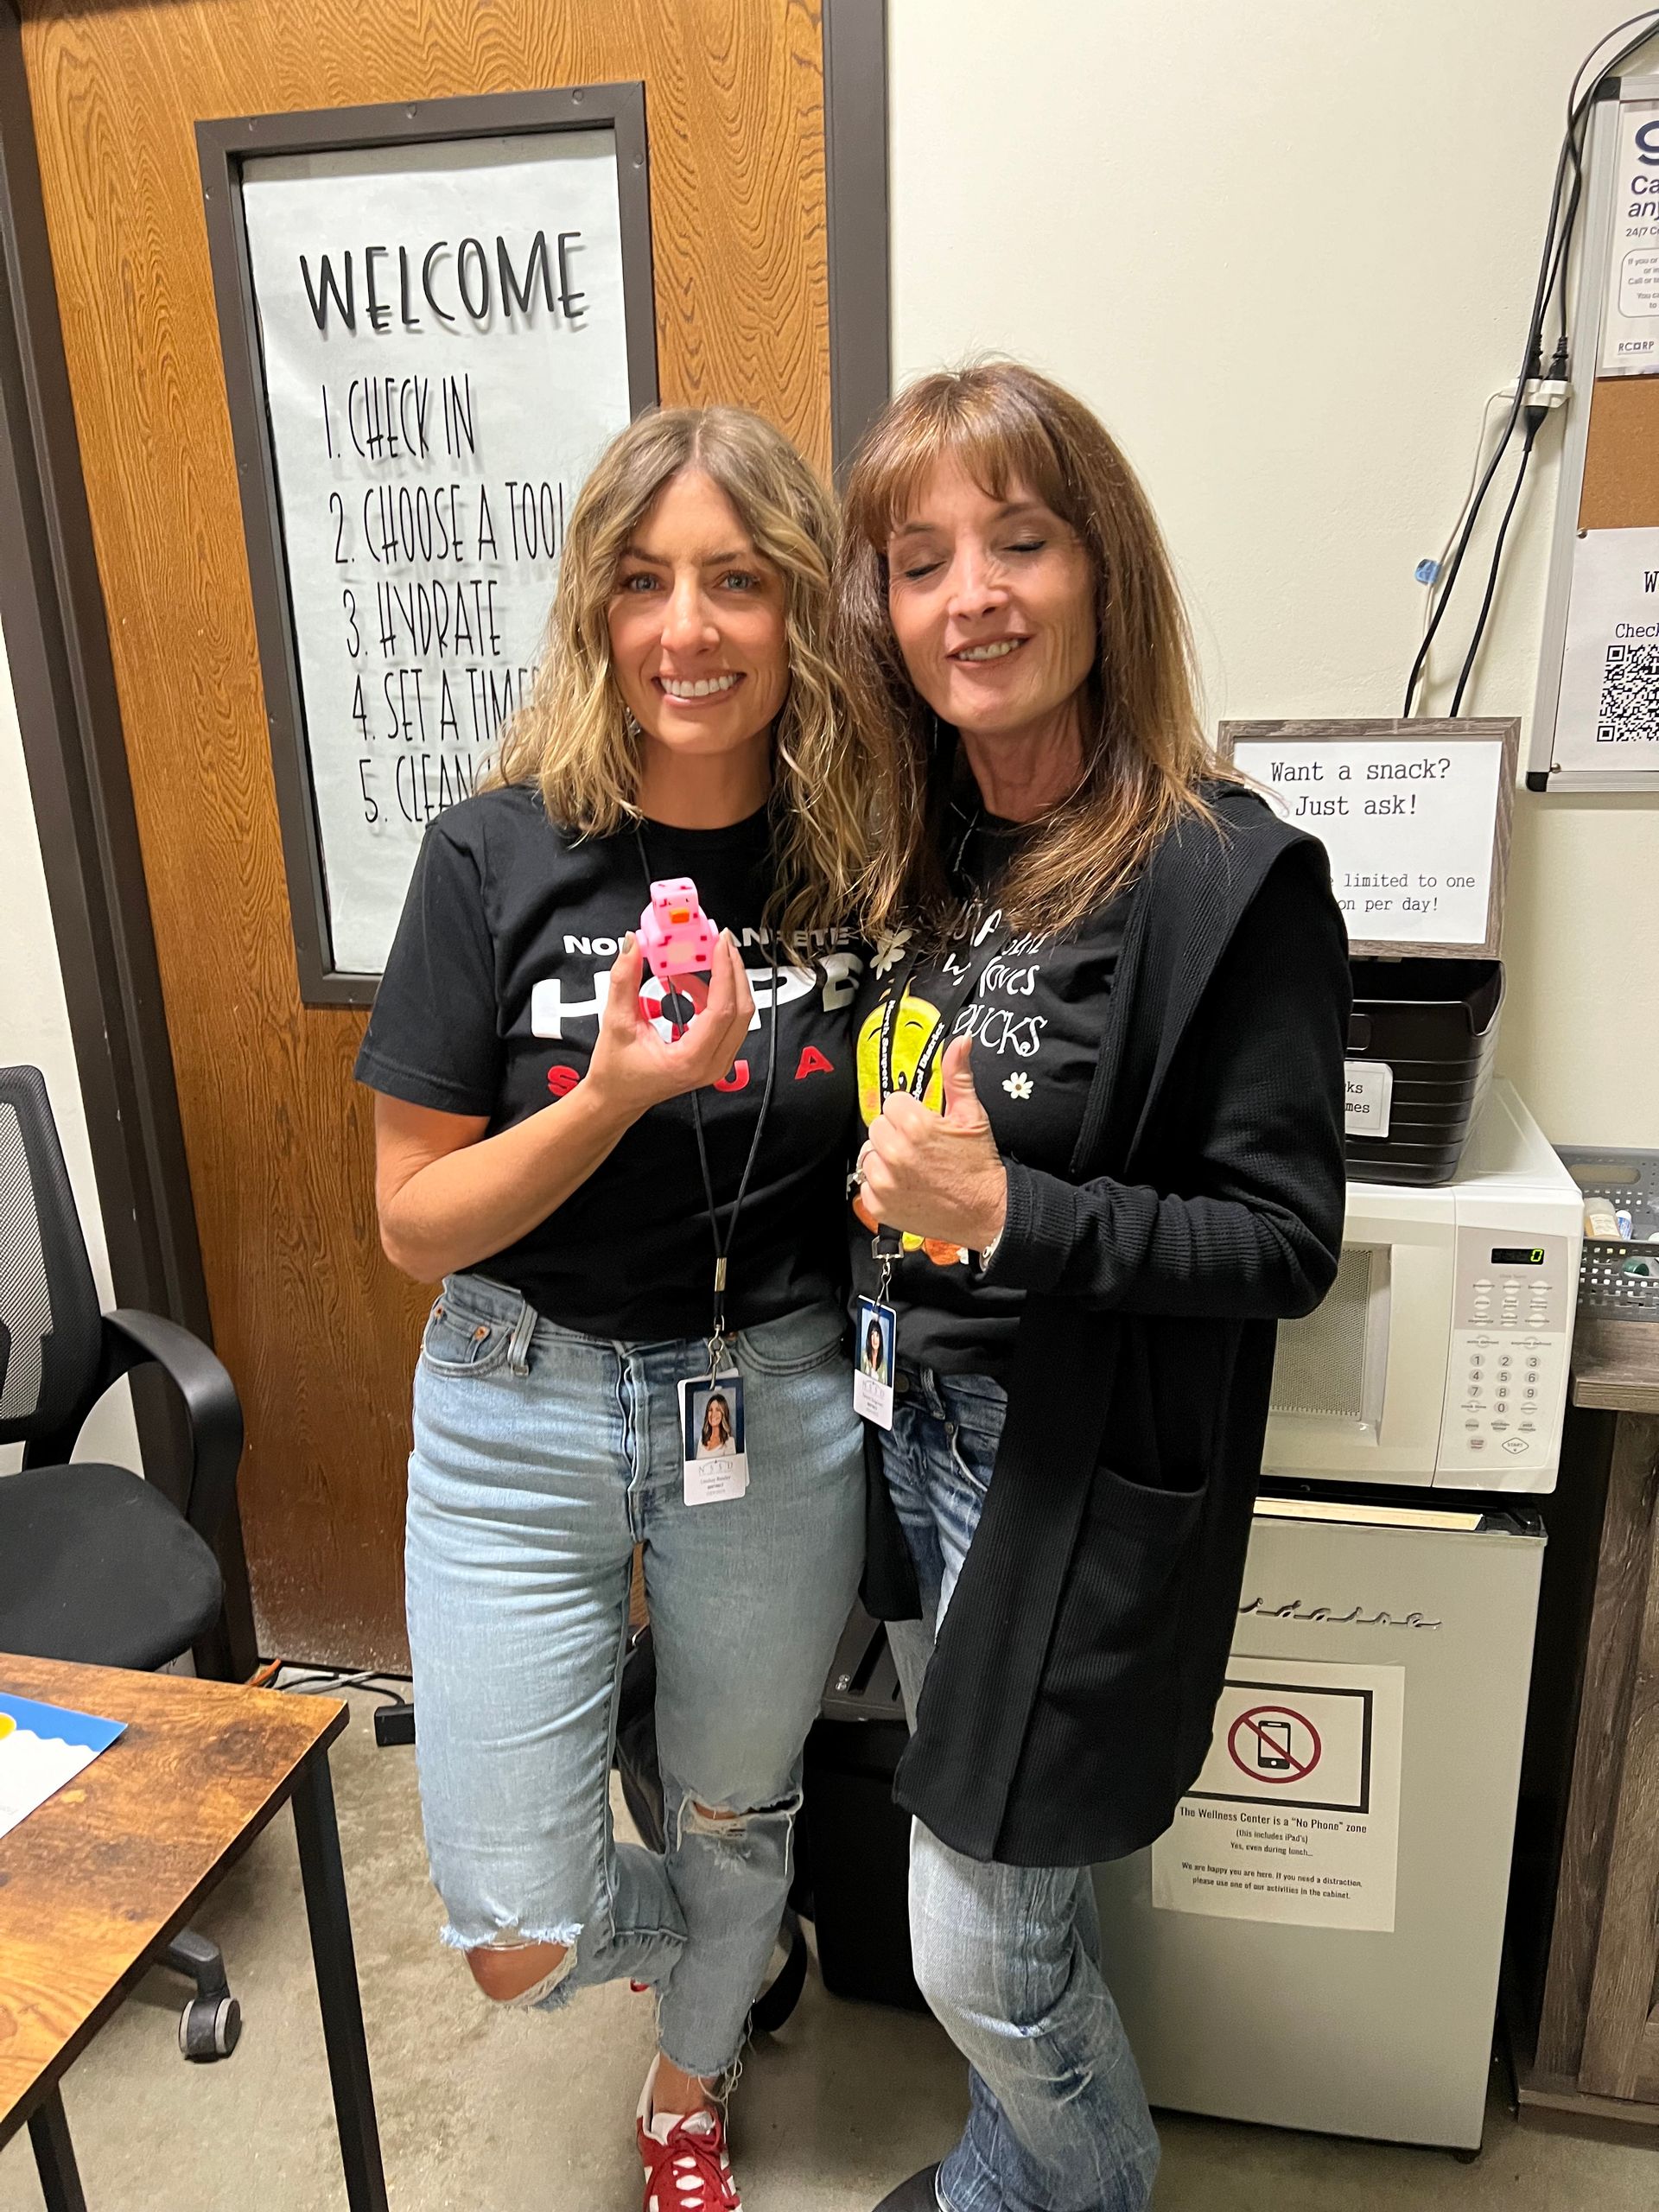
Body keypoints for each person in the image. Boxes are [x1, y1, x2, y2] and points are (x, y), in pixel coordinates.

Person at [833, 360, 1350, 2212]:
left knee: (979, 1947)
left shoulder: (1226, 872)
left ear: (1100, 570)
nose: (969, 592)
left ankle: (1070, 2191)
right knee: (1030, 1898)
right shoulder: (920, 857)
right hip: (907, 1429)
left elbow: (1285, 1240)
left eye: (1019, 540)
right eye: (919, 558)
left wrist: (1018, 1219)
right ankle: (1004, 2179)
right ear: (883, 613)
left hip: (1057, 1469)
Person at [357, 405, 871, 2212]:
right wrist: (611, 1093)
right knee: (519, 1926)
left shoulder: (865, 852)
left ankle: (691, 2072)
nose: (690, 628)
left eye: (738, 580)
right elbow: (416, 1219)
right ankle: (729, 1942)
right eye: (646, 580)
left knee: (736, 1802)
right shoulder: (496, 851)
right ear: (594, 605)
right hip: (518, 1403)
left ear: (803, 606)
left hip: (778, 1400)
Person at [698, 1391, 735, 1457]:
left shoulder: (729, 1442)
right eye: (710, 1410)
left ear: (723, 1414)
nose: (713, 1414)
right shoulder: (702, 1440)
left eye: (718, 1410)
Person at [862, 1314, 889, 1380]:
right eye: (872, 1335)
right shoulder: (863, 1356)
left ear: (880, 1338)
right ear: (869, 1337)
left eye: (877, 1335)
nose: (875, 1340)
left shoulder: (884, 1365)